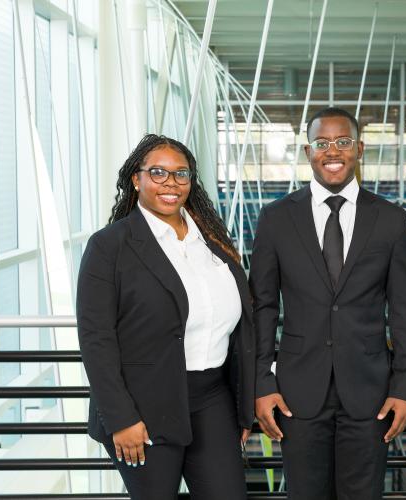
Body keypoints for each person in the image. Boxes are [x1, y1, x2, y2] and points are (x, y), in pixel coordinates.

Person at [249, 107, 406, 500]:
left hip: (371, 392)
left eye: (343, 142)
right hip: (297, 392)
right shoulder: (275, 219)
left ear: (359, 148)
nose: (333, 151)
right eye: (322, 143)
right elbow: (262, 308)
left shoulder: (390, 220)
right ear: (308, 151)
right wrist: (262, 381)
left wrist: (405, 387)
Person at [76, 134, 254, 500]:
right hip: (143, 405)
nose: (171, 183)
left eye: (181, 174)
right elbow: (96, 338)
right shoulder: (109, 246)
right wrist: (121, 418)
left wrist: (242, 404)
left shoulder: (210, 240)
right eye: (158, 173)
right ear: (135, 179)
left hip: (212, 398)